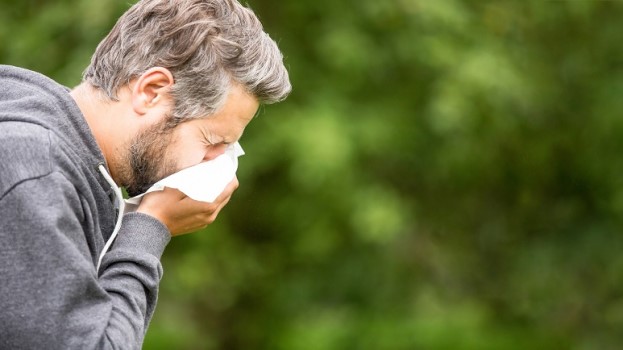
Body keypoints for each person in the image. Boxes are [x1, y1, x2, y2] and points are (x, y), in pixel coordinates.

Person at [0, 0, 291, 348]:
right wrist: (151, 226)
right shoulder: (35, 169)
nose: (216, 162)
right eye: (213, 140)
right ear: (151, 91)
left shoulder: (57, 153)